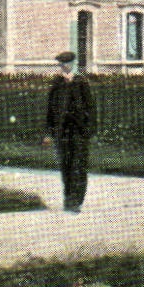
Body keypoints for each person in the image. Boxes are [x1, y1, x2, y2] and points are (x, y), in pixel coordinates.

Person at [45, 50, 95, 212]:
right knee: (66, 166)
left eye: (67, 63)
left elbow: (90, 108)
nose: (64, 66)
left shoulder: (81, 82)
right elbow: (51, 110)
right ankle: (68, 199)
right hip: (62, 132)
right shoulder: (57, 84)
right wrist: (49, 132)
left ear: (72, 64)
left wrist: (89, 129)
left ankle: (77, 200)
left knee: (78, 166)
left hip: (79, 132)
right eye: (62, 64)